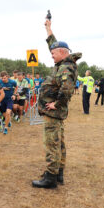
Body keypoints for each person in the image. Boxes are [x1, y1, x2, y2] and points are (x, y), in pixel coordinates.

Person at [32, 18, 81, 189]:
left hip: (53, 113)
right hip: (55, 114)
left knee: (52, 144)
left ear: (62, 52)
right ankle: (58, 173)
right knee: (59, 142)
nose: (51, 54)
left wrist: (56, 104)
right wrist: (48, 29)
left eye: (53, 53)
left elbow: (67, 88)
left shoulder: (65, 67)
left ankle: (50, 178)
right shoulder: (63, 62)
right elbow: (54, 45)